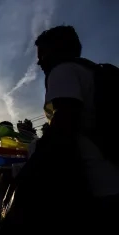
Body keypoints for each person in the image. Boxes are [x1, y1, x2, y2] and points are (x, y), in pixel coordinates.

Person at [36, 25, 119, 231]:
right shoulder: (92, 72)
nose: (39, 63)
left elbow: (64, 125)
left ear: (56, 51)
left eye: (42, 55)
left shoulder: (63, 71)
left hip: (93, 186)